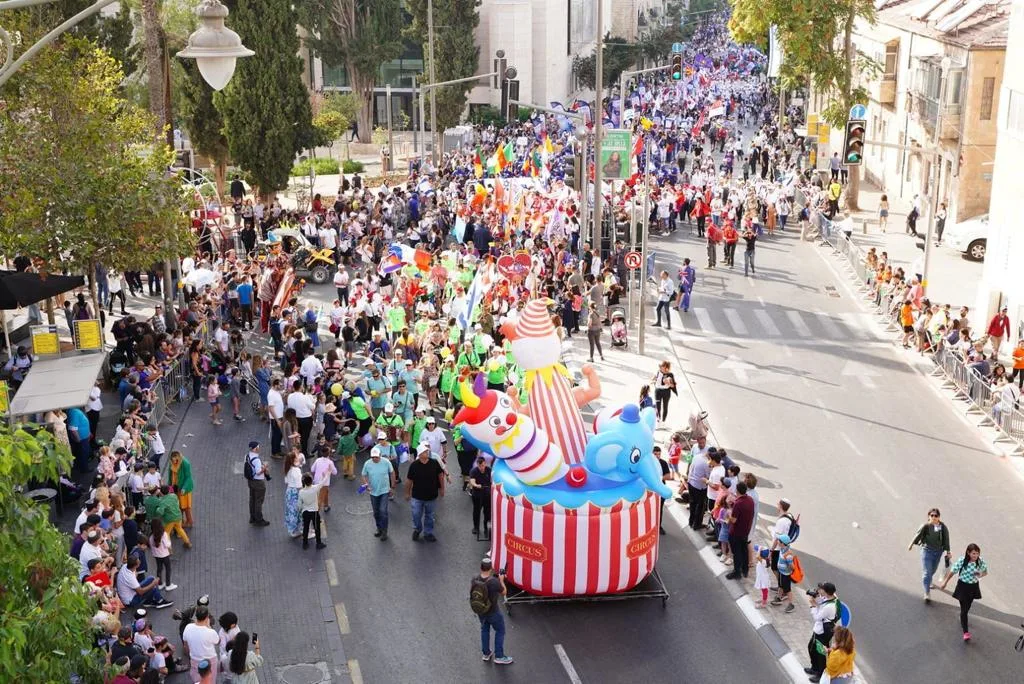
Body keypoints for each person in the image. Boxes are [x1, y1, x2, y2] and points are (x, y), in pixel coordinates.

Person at [939, 542, 988, 641]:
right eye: (974, 553)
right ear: (968, 553)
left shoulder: (980, 561)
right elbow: (953, 571)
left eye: (977, 553)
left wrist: (980, 574)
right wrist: (945, 582)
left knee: (967, 607)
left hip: (973, 587)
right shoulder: (962, 561)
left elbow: (985, 572)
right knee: (964, 610)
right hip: (962, 587)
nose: (976, 555)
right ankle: (965, 632)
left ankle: (962, 617)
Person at [473, 558, 513, 665]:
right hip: (493, 612)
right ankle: (499, 656)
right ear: (491, 568)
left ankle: (486, 654)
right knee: (500, 631)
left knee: (484, 630)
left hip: (481, 611)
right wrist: (501, 579)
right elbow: (504, 592)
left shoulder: (475, 578)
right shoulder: (494, 582)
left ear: (481, 567)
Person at [907, 507, 951, 602]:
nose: (934, 517)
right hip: (926, 550)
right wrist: (911, 544)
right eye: (932, 515)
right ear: (929, 516)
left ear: (939, 517)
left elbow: (946, 539)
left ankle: (930, 580)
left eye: (936, 516)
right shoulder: (925, 526)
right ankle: (927, 592)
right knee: (927, 573)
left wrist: (948, 551)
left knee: (933, 570)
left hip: (938, 552)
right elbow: (917, 535)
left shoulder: (942, 527)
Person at [406, 443, 445, 542]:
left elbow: (440, 475)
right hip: (417, 496)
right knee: (416, 514)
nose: (427, 452)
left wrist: (442, 488)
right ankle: (417, 529)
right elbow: (409, 480)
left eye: (426, 451)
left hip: (431, 496)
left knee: (430, 516)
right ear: (419, 454)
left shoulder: (434, 463)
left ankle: (428, 533)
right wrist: (407, 493)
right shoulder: (414, 466)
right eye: (424, 451)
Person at [806, 582, 840, 682]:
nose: (819, 590)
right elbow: (821, 603)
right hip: (820, 630)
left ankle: (820, 674)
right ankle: (815, 668)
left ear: (826, 592)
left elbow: (817, 617)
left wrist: (812, 606)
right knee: (811, 648)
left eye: (821, 589)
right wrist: (816, 598)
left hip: (822, 632)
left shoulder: (829, 606)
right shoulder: (832, 597)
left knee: (820, 653)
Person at [361, 446, 395, 541]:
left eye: (377, 457)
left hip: (384, 490)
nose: (375, 459)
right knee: (376, 512)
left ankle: (384, 531)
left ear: (380, 455)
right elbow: (363, 475)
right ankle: (379, 528)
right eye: (373, 457)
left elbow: (392, 473)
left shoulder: (386, 462)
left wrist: (392, 487)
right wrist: (366, 484)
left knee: (383, 511)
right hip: (373, 492)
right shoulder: (367, 464)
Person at [725, 481, 755, 580]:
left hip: (736, 532)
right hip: (745, 531)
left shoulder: (738, 504)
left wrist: (729, 513)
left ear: (737, 490)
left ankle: (737, 572)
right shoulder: (750, 500)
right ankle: (745, 570)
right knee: (744, 551)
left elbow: (733, 520)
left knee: (737, 553)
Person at [182, 605, 221, 682]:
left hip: (195, 659)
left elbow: (185, 646)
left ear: (196, 616)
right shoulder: (210, 632)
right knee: (210, 680)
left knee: (197, 680)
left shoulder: (188, 627)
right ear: (207, 617)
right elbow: (218, 641)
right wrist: (209, 626)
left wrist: (190, 655)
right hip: (210, 660)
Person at [298, 473, 327, 550]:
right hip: (314, 512)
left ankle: (305, 543)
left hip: (305, 512)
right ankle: (318, 543)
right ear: (311, 481)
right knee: (317, 528)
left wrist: (300, 511)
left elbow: (299, 504)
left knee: (306, 527)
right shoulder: (315, 488)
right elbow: (322, 483)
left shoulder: (301, 492)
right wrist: (326, 474)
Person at [245, 441, 270, 526]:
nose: (259, 448)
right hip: (258, 482)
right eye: (258, 447)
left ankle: (252, 517)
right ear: (255, 449)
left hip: (250, 481)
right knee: (259, 501)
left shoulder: (247, 456)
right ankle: (259, 519)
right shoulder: (257, 460)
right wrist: (265, 467)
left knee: (252, 499)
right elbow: (259, 472)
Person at [168, 451, 194, 528]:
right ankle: (181, 521)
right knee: (178, 506)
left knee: (186, 507)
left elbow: (188, 477)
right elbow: (170, 476)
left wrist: (184, 488)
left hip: (183, 488)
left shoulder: (185, 463)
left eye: (176, 460)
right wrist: (170, 487)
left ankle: (189, 521)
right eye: (173, 460)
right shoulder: (171, 463)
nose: (174, 462)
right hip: (175, 487)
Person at [283, 450, 304, 538]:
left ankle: (292, 529)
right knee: (297, 512)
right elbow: (299, 485)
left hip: (289, 492)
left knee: (291, 511)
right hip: (296, 493)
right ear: (294, 459)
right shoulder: (296, 470)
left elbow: (286, 481)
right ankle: (296, 530)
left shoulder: (288, 468)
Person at [468, 456, 491, 536]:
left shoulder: (489, 470)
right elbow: (472, 481)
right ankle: (476, 527)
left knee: (487, 512)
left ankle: (486, 528)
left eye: (483, 465)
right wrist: (476, 485)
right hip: (477, 495)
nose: (482, 467)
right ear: (477, 465)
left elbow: (493, 479)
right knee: (477, 511)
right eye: (480, 466)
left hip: (487, 495)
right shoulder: (474, 471)